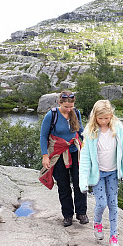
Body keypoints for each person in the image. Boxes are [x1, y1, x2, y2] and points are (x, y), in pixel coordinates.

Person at [79, 100, 123, 246]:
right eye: (100, 118)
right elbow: (84, 159)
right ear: (95, 117)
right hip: (97, 175)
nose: (104, 121)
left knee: (113, 205)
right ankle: (97, 222)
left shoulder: (117, 129)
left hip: (112, 173)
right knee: (102, 203)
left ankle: (113, 237)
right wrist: (83, 181)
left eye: (106, 118)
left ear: (111, 115)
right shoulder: (90, 132)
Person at [39, 91, 87, 227]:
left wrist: (89, 143)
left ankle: (81, 212)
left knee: (80, 182)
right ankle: (67, 215)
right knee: (63, 185)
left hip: (74, 152)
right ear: (60, 103)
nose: (69, 109)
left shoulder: (75, 113)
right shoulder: (52, 115)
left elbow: (80, 131)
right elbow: (43, 136)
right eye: (66, 107)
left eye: (71, 106)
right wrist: (45, 156)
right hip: (58, 154)